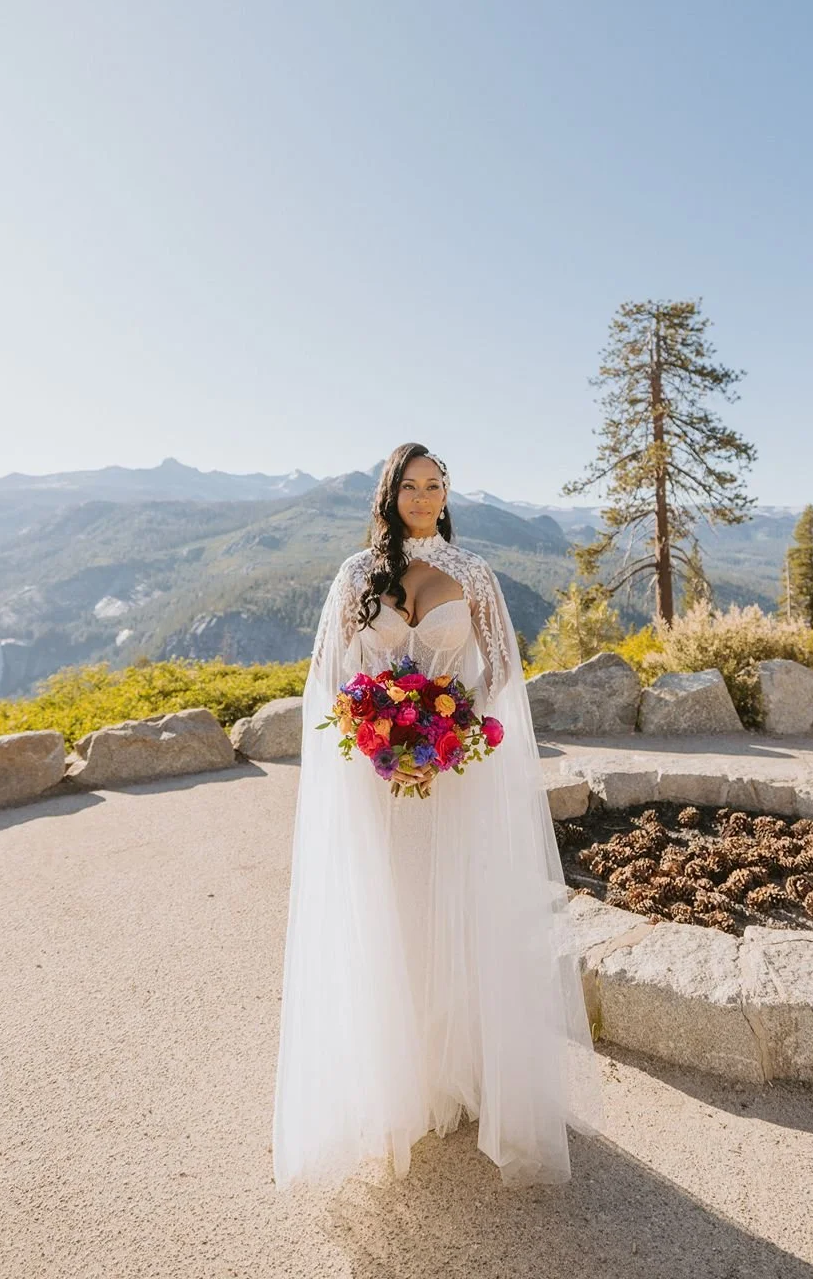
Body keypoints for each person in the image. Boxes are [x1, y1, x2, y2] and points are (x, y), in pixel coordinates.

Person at [271, 442, 607, 1191]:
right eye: (411, 485)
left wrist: (453, 740)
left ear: (447, 495)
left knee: (455, 914)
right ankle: (397, 1086)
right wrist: (374, 736)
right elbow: (329, 682)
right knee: (392, 916)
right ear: (389, 494)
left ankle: (462, 1072)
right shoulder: (356, 577)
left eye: (436, 485)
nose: (424, 497)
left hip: (452, 780)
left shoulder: (473, 574)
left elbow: (502, 673)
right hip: (377, 782)